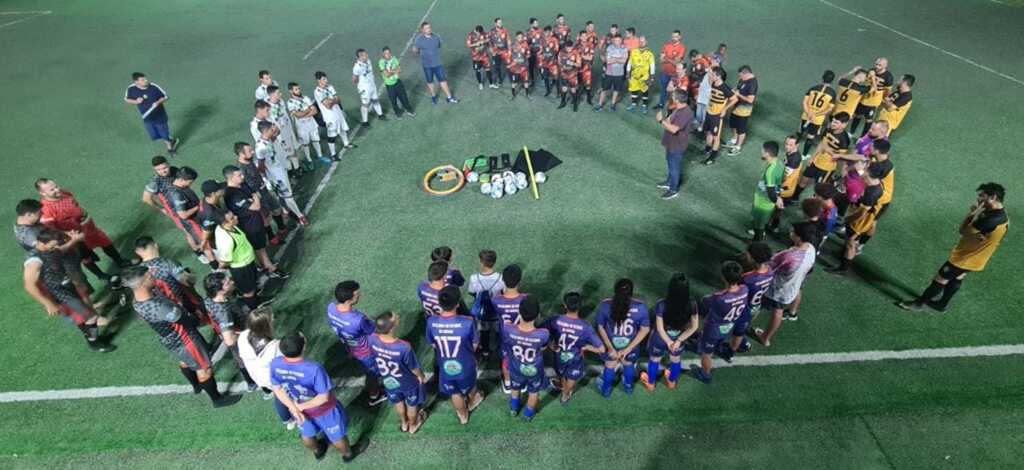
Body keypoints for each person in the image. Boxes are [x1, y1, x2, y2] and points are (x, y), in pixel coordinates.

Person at [123, 265, 241, 407]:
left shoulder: (137, 301)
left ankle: (196, 386)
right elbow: (186, 320)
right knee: (204, 368)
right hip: (186, 339)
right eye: (149, 276)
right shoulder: (159, 307)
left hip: (169, 339)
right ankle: (217, 400)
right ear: (142, 283)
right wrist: (200, 315)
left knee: (185, 361)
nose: (153, 277)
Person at [898, 183, 1008, 312]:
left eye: (982, 196)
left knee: (941, 278)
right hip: (978, 257)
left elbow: (963, 231)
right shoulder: (1000, 214)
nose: (979, 198)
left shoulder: (990, 219)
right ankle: (942, 305)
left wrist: (972, 213)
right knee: (957, 278)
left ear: (993, 197)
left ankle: (918, 304)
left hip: (967, 257)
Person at [22, 229, 114, 352]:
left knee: (81, 317)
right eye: (52, 245)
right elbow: (29, 286)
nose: (55, 247)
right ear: (41, 243)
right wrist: (48, 304)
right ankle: (95, 343)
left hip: (66, 286)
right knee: (90, 316)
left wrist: (74, 240)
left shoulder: (50, 250)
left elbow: (60, 251)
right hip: (59, 294)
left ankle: (94, 338)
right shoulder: (34, 261)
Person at [271, 332, 357, 461]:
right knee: (337, 436)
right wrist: (299, 407)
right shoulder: (313, 369)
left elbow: (277, 389)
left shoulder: (275, 364)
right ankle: (348, 454)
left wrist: (294, 408)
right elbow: (323, 398)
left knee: (307, 433)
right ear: (303, 347)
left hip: (299, 409)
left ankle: (318, 451)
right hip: (323, 410)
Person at [36, 178, 127, 280]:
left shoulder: (65, 193)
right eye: (52, 190)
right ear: (42, 193)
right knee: (86, 257)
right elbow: (51, 229)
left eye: (56, 186)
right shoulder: (46, 209)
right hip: (75, 237)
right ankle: (101, 276)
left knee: (105, 241)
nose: (57, 190)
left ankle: (121, 262)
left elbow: (75, 205)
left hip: (88, 227)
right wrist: (69, 234)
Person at [427, 286, 485, 424]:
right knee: (471, 387)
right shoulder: (467, 322)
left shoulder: (431, 322)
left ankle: (463, 415)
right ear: (458, 303)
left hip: (445, 367)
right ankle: (472, 401)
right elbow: (475, 344)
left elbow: (433, 344)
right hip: (466, 365)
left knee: (455, 393)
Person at [754, 222, 818, 346]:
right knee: (779, 311)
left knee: (756, 306)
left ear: (799, 237)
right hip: (791, 289)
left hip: (776, 290)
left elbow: (768, 267)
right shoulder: (811, 248)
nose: (791, 233)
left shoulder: (789, 256)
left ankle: (742, 329)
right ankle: (765, 338)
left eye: (793, 232)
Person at [223, 165, 289, 277]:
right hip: (249, 225)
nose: (242, 176)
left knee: (261, 246)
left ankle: (266, 266)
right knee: (259, 248)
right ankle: (270, 269)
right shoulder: (232, 194)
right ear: (230, 178)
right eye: (239, 175)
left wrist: (254, 198)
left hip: (255, 221)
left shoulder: (242, 185)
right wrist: (254, 199)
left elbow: (256, 195)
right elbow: (255, 206)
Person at [327, 280, 386, 406]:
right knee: (372, 374)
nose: (359, 296)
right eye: (357, 295)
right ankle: (374, 396)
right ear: (349, 300)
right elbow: (374, 331)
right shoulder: (357, 319)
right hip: (366, 352)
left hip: (349, 345)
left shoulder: (331, 308)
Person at [370, 312, 428, 434]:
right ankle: (413, 425)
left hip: (389, 381)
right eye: (395, 317)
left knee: (398, 401)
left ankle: (404, 423)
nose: (398, 317)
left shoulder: (372, 339)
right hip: (408, 382)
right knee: (412, 404)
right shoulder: (403, 347)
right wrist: (420, 376)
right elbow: (413, 368)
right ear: (392, 327)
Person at [639, 273, 698, 391]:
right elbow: (694, 327)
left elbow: (660, 328)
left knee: (654, 359)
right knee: (675, 360)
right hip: (679, 339)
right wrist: (678, 341)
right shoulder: (692, 304)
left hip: (660, 339)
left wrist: (668, 342)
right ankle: (671, 382)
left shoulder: (662, 304)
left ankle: (651, 384)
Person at [692, 261, 747, 384]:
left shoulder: (716, 298)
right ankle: (719, 347)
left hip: (713, 331)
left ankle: (705, 374)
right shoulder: (745, 290)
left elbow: (702, 312)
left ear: (723, 277)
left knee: (706, 354)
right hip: (729, 326)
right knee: (719, 340)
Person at [236, 307, 292, 428]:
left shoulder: (243, 336)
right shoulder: (274, 346)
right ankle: (288, 419)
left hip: (256, 374)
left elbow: (242, 355)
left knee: (278, 394)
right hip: (270, 377)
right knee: (281, 395)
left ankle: (286, 419)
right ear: (265, 326)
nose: (273, 319)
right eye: (271, 319)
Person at [544, 291, 605, 403]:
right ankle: (565, 396)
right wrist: (586, 347)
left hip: (559, 356)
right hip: (575, 360)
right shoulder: (585, 326)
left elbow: (541, 332)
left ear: (565, 305)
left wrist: (550, 344)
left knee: (562, 375)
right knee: (571, 379)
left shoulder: (555, 320)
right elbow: (601, 349)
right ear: (580, 307)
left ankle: (563, 388)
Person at [595, 278, 650, 397]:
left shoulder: (605, 305)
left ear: (615, 291)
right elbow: (645, 329)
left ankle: (606, 391)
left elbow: (600, 327)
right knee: (628, 365)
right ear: (631, 292)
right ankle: (628, 388)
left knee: (609, 366)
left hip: (611, 346)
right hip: (630, 347)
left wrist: (610, 348)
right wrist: (628, 349)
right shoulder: (641, 307)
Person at [202, 271, 258, 390]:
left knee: (239, 357)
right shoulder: (223, 311)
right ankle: (258, 385)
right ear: (220, 290)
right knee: (245, 357)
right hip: (241, 334)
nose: (232, 282)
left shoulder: (209, 299)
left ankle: (251, 383)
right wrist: (246, 333)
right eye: (228, 283)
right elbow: (230, 340)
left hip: (231, 328)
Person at [828, 163, 887, 274]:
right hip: (864, 218)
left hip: (859, 222)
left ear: (869, 174)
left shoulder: (871, 193)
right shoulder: (877, 184)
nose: (863, 170)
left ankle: (843, 269)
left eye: (866, 170)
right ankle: (847, 255)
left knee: (851, 242)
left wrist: (847, 220)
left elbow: (861, 213)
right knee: (851, 241)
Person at [501, 296, 549, 421]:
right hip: (534, 369)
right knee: (534, 392)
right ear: (537, 315)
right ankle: (528, 415)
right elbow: (543, 348)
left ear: (519, 312)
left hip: (516, 366)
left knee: (515, 387)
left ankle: (514, 409)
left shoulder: (508, 328)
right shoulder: (543, 334)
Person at [725, 243, 774, 358]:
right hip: (756, 306)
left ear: (753, 258)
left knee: (738, 332)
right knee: (744, 326)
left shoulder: (748, 278)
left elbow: (737, 292)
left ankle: (732, 351)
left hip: (744, 309)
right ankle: (741, 341)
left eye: (747, 254)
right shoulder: (770, 271)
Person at [255, 121, 309, 226]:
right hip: (276, 175)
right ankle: (300, 216)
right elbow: (260, 165)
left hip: (279, 171)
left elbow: (276, 134)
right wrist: (265, 175)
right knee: (288, 196)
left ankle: (285, 210)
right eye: (271, 129)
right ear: (266, 131)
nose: (273, 130)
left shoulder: (268, 139)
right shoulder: (261, 148)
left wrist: (275, 128)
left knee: (282, 194)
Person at [235, 142, 289, 245]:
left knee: (276, 209)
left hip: (264, 190)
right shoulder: (240, 169)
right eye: (249, 151)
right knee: (266, 217)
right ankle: (272, 238)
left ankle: (282, 228)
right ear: (241, 154)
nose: (253, 152)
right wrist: (255, 196)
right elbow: (244, 185)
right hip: (257, 195)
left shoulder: (249, 160)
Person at [791, 112, 852, 200]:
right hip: (816, 161)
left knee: (819, 189)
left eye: (836, 122)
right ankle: (794, 198)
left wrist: (827, 149)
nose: (833, 124)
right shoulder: (829, 129)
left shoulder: (845, 139)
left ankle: (813, 204)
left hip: (826, 168)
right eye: (833, 121)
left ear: (844, 125)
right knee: (803, 180)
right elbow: (821, 143)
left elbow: (839, 157)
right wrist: (813, 157)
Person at [213, 210, 266, 310]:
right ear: (225, 223)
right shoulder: (227, 241)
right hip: (241, 269)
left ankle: (257, 300)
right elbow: (224, 261)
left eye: (233, 215)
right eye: (232, 218)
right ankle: (255, 309)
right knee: (248, 291)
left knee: (252, 285)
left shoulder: (224, 227)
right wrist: (219, 272)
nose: (236, 217)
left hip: (247, 263)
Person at [124, 72, 179, 156]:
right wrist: (136, 101)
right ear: (136, 82)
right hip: (147, 117)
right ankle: (170, 140)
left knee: (163, 133)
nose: (146, 80)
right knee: (154, 136)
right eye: (142, 80)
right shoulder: (131, 89)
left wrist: (158, 102)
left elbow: (165, 96)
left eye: (145, 78)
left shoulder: (153, 87)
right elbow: (127, 99)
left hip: (160, 116)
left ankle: (170, 148)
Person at [655, 90, 695, 200]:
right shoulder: (678, 108)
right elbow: (670, 120)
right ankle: (669, 182)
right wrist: (666, 120)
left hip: (677, 144)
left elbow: (674, 129)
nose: (671, 97)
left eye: (673, 96)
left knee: (674, 167)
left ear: (677, 99)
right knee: (670, 162)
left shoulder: (686, 113)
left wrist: (660, 121)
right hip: (671, 142)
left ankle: (673, 189)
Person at [494, 264, 527, 394]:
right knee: (522, 358)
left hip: (506, 336)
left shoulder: (496, 300)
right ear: (519, 281)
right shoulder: (526, 299)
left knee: (506, 359)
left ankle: (508, 383)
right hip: (523, 335)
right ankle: (521, 382)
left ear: (503, 280)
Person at [468, 249, 504, 356]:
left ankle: (485, 352)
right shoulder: (501, 278)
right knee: (499, 333)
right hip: (497, 313)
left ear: (481, 262)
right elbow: (504, 293)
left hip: (482, 313)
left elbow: (472, 292)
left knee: (484, 333)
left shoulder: (474, 278)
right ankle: (500, 351)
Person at [412, 22, 458, 104]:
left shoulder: (436, 37)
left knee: (443, 81)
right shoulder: (419, 39)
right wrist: (419, 52)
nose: (429, 29)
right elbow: (415, 50)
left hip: (438, 64)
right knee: (430, 82)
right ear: (422, 30)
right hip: (427, 65)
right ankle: (433, 96)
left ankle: (449, 97)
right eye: (426, 28)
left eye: (429, 27)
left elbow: (439, 45)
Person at [700, 67, 738, 165]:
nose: (711, 76)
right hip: (709, 112)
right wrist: (709, 72)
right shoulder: (713, 83)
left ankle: (712, 157)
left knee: (716, 137)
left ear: (718, 76)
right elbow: (709, 82)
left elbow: (734, 99)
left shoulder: (725, 88)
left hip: (717, 116)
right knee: (707, 131)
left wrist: (724, 109)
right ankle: (708, 148)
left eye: (713, 75)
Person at [313, 71, 355, 157]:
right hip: (329, 117)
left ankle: (346, 143)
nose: (326, 80)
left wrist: (332, 101)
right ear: (318, 80)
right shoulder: (318, 92)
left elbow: (338, 99)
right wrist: (333, 100)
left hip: (337, 112)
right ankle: (333, 154)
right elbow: (327, 105)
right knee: (332, 135)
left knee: (342, 128)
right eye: (324, 79)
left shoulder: (330, 87)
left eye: (326, 78)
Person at [168, 166, 207, 258]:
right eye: (190, 182)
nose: (191, 184)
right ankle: (213, 265)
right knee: (205, 245)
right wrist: (198, 206)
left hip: (197, 218)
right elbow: (183, 215)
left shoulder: (180, 186)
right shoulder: (176, 194)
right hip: (192, 223)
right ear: (181, 179)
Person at [749, 141, 785, 241]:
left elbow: (770, 192)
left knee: (759, 225)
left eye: (763, 150)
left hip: (763, 202)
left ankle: (756, 243)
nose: (761, 151)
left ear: (767, 154)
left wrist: (776, 199)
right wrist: (778, 197)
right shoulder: (780, 163)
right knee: (760, 222)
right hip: (768, 200)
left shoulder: (770, 172)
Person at [851, 58, 894, 137]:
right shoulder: (871, 70)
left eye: (879, 65)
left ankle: (862, 137)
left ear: (885, 66)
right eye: (876, 64)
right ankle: (851, 132)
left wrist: (883, 98)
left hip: (874, 102)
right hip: (864, 99)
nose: (877, 66)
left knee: (869, 120)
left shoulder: (888, 77)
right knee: (857, 115)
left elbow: (888, 91)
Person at [798, 70, 837, 158]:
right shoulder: (832, 93)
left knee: (801, 129)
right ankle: (804, 155)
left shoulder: (813, 88)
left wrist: (808, 112)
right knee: (811, 136)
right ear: (832, 80)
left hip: (806, 115)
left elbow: (804, 102)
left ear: (822, 78)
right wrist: (817, 114)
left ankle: (797, 141)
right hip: (817, 120)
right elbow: (829, 109)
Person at [724, 65, 758, 155]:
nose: (740, 77)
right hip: (736, 107)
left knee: (741, 129)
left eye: (741, 75)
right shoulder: (743, 79)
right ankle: (734, 140)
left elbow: (750, 100)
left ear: (746, 74)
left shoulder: (752, 84)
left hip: (744, 111)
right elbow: (738, 88)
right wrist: (734, 90)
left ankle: (738, 147)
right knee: (733, 125)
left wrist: (738, 94)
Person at [352, 48, 386, 128]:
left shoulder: (368, 61)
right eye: (363, 55)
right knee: (365, 104)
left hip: (372, 85)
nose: (366, 56)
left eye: (366, 54)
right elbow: (354, 79)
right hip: (364, 88)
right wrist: (360, 85)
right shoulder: (357, 67)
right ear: (359, 57)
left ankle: (380, 114)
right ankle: (365, 121)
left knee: (375, 99)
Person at [379, 46, 415, 117]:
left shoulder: (394, 59)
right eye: (386, 53)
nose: (388, 55)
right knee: (393, 101)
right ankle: (398, 113)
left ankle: (409, 110)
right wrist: (394, 71)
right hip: (389, 85)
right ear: (383, 54)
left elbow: (400, 70)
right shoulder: (381, 62)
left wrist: (390, 71)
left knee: (404, 97)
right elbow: (387, 75)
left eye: (389, 53)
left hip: (398, 82)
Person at [594, 35, 627, 111]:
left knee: (616, 90)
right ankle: (600, 104)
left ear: (621, 40)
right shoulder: (610, 48)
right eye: (616, 40)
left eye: (619, 40)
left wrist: (614, 59)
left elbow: (624, 61)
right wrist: (619, 59)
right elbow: (608, 61)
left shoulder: (624, 49)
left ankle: (613, 104)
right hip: (609, 73)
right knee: (604, 89)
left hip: (619, 74)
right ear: (613, 41)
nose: (617, 42)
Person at [655, 30, 686, 110]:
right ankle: (661, 104)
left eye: (676, 36)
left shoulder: (682, 48)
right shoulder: (666, 46)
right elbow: (661, 60)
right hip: (665, 72)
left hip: (675, 74)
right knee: (663, 89)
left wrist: (667, 58)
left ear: (680, 37)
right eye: (673, 36)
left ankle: (672, 107)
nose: (674, 38)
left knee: (674, 91)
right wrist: (671, 59)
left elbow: (677, 62)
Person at [625, 36, 656, 113]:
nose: (641, 43)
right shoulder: (634, 52)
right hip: (634, 76)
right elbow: (629, 62)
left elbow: (652, 66)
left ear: (646, 42)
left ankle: (644, 106)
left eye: (643, 41)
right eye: (640, 41)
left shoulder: (650, 54)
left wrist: (651, 78)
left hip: (644, 77)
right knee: (633, 90)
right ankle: (633, 104)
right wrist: (628, 73)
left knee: (644, 91)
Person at [556, 40, 581, 110]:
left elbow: (579, 64)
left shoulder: (576, 53)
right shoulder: (561, 52)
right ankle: (563, 102)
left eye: (570, 48)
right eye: (567, 48)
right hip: (564, 74)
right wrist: (562, 67)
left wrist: (572, 63)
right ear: (565, 47)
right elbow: (559, 62)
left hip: (573, 75)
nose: (568, 49)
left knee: (573, 89)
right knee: (564, 89)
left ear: (572, 47)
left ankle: (575, 104)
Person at [507, 31, 532, 99]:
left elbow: (528, 54)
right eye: (518, 37)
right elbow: (509, 55)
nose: (520, 38)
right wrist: (512, 62)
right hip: (515, 68)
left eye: (521, 37)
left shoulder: (525, 44)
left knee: (526, 82)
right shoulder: (512, 45)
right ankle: (513, 95)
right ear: (516, 37)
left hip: (524, 67)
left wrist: (525, 58)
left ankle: (527, 95)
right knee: (513, 83)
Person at [576, 29, 597, 105]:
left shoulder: (590, 45)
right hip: (578, 68)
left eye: (585, 36)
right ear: (580, 37)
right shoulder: (577, 45)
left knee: (588, 84)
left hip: (587, 68)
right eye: (583, 36)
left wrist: (581, 55)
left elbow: (590, 58)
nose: (584, 37)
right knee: (578, 84)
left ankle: (588, 98)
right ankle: (577, 97)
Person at [489, 18, 511, 88]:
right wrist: (491, 49)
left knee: (509, 65)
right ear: (495, 23)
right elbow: (489, 41)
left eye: (501, 22)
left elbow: (508, 41)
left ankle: (512, 79)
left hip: (504, 51)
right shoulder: (492, 31)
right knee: (497, 67)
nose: (500, 24)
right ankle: (499, 80)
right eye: (499, 23)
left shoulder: (505, 30)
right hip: (496, 53)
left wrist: (509, 50)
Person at [539, 26, 560, 97]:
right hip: (545, 62)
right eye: (545, 32)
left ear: (551, 32)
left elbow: (556, 49)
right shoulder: (542, 40)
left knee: (556, 77)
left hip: (553, 62)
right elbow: (541, 50)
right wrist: (540, 55)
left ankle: (558, 92)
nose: (547, 33)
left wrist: (551, 55)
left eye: (548, 32)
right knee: (545, 77)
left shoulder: (554, 40)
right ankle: (548, 90)